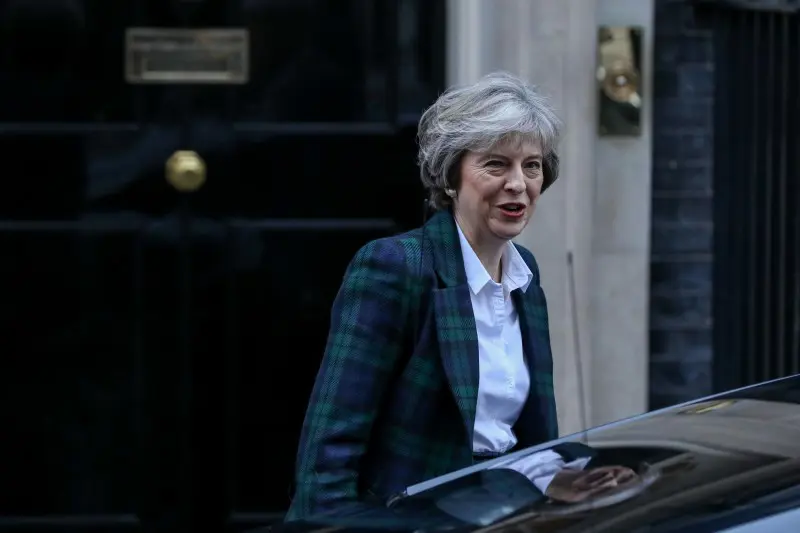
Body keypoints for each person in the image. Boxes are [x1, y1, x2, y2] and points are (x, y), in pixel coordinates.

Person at [286, 72, 632, 521]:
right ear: (451, 175)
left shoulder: (526, 273)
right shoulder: (394, 267)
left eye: (532, 165)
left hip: (510, 513)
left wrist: (557, 473)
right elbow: (330, 446)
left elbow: (517, 435)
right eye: (496, 164)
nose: (518, 183)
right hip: (411, 520)